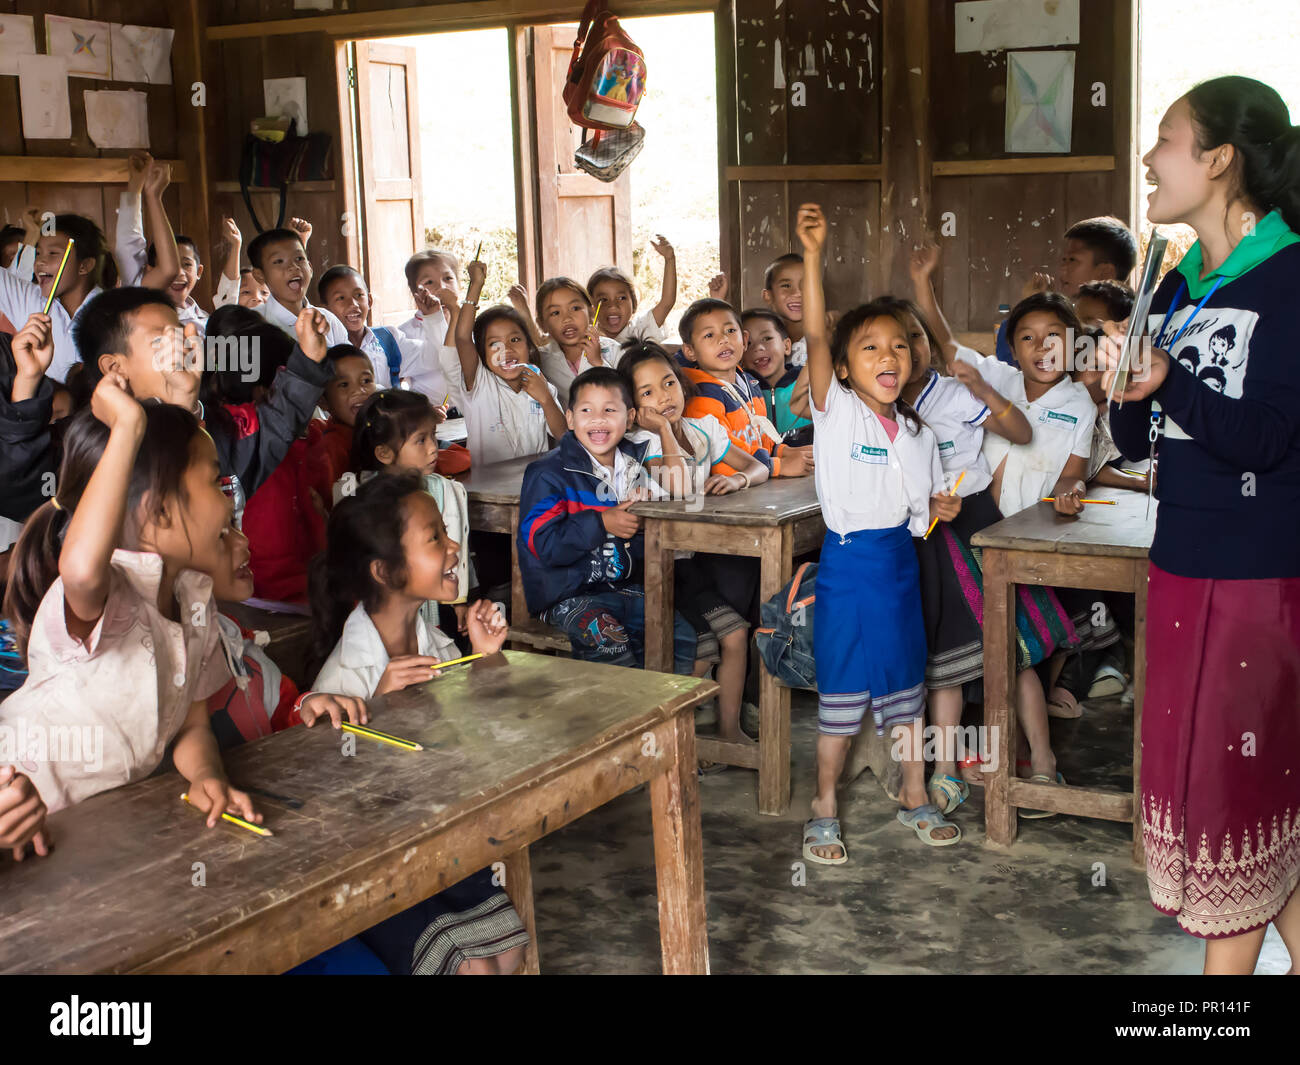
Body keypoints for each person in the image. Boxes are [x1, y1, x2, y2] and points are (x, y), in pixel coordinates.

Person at [1104, 75, 1300, 974]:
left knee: (1231, 807)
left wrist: (1168, 380)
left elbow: (1266, 439)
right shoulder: (1181, 280)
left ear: (1219, 159)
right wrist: (1123, 380)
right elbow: (1138, 434)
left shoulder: (1290, 276)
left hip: (1255, 577)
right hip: (1182, 562)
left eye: (1167, 139)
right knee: (1252, 810)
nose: (1150, 157)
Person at [0, 385, 261, 829]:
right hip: (14, 806)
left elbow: (191, 723)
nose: (227, 501)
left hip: (93, 830)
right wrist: (128, 427)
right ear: (159, 512)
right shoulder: (108, 590)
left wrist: (205, 775)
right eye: (216, 484)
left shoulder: (193, 598)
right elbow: (81, 570)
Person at [307, 473, 527, 974]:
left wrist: (483, 661)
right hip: (371, 866)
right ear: (386, 571)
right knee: (474, 969)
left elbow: (475, 745)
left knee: (507, 951)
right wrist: (378, 709)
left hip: (433, 842)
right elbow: (331, 801)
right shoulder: (345, 676)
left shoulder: (440, 648)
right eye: (435, 538)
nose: (454, 546)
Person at [796, 204, 961, 862]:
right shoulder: (836, 413)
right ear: (844, 369)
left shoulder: (917, 431)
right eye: (869, 347)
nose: (888, 355)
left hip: (900, 564)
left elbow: (923, 509)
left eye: (898, 344)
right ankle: (823, 803)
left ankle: (914, 793)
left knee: (905, 689)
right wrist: (812, 256)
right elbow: (813, 338)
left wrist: (939, 510)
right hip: (847, 567)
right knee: (841, 694)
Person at [621, 341, 768, 746]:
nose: (664, 396)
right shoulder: (641, 443)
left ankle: (726, 731)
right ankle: (666, 740)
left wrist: (738, 479)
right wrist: (665, 430)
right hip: (660, 567)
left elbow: (757, 466)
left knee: (735, 634)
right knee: (718, 640)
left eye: (669, 383)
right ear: (633, 409)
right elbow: (680, 486)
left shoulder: (703, 429)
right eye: (647, 392)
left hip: (696, 560)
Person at [517, 367, 699, 674]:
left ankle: (657, 713)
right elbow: (543, 544)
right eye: (587, 410)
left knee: (680, 636)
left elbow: (668, 517)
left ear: (628, 419)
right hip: (566, 593)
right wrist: (601, 523)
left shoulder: (635, 466)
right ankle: (615, 718)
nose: (598, 419)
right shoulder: (548, 473)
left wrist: (644, 519)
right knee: (609, 641)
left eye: (609, 410)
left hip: (623, 587)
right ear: (570, 418)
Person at [351, 388, 473, 634]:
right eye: (420, 440)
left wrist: (459, 599)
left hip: (441, 601)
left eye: (433, 437)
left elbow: (459, 540)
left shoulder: (441, 487)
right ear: (384, 452)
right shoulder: (366, 497)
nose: (432, 448)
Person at [679, 298, 812, 479]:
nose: (723, 339)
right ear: (690, 351)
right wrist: (778, 465)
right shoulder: (702, 397)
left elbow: (760, 440)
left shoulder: (750, 383)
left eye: (731, 331)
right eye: (709, 335)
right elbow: (723, 458)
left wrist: (786, 451)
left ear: (744, 340)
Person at [449, 263, 567, 465]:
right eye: (494, 344)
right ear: (482, 354)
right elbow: (462, 337)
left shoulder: (539, 383)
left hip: (533, 486)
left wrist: (546, 399)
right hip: (486, 490)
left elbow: (564, 436)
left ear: (529, 347)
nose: (506, 350)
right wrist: (476, 284)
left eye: (515, 340)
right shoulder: (480, 383)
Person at [316, 264, 449, 399]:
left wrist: (434, 318)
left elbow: (438, 357)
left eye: (358, 295)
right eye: (341, 298)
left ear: (369, 300)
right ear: (325, 310)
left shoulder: (388, 340)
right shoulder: (324, 349)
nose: (353, 304)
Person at [245, 227, 348, 347]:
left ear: (310, 267)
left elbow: (350, 362)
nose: (293, 266)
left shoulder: (329, 320)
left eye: (299, 258)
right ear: (260, 275)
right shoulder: (252, 324)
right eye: (279, 261)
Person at [534, 277, 622, 405]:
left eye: (575, 308)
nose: (567, 318)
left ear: (591, 312)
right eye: (555, 313)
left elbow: (626, 395)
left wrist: (598, 363)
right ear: (542, 324)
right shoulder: (540, 360)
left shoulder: (613, 349)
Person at [741, 307, 812, 446]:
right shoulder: (742, 394)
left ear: (786, 346)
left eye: (767, 338)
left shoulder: (808, 383)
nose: (758, 347)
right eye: (748, 343)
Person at [587, 234, 676, 343]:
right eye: (603, 300)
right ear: (592, 309)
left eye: (621, 298)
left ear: (633, 304)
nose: (613, 305)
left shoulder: (639, 328)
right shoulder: (588, 339)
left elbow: (667, 302)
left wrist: (670, 259)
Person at [761, 252, 807, 366]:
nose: (797, 293)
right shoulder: (761, 344)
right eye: (786, 286)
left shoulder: (826, 337)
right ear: (768, 296)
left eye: (806, 285)